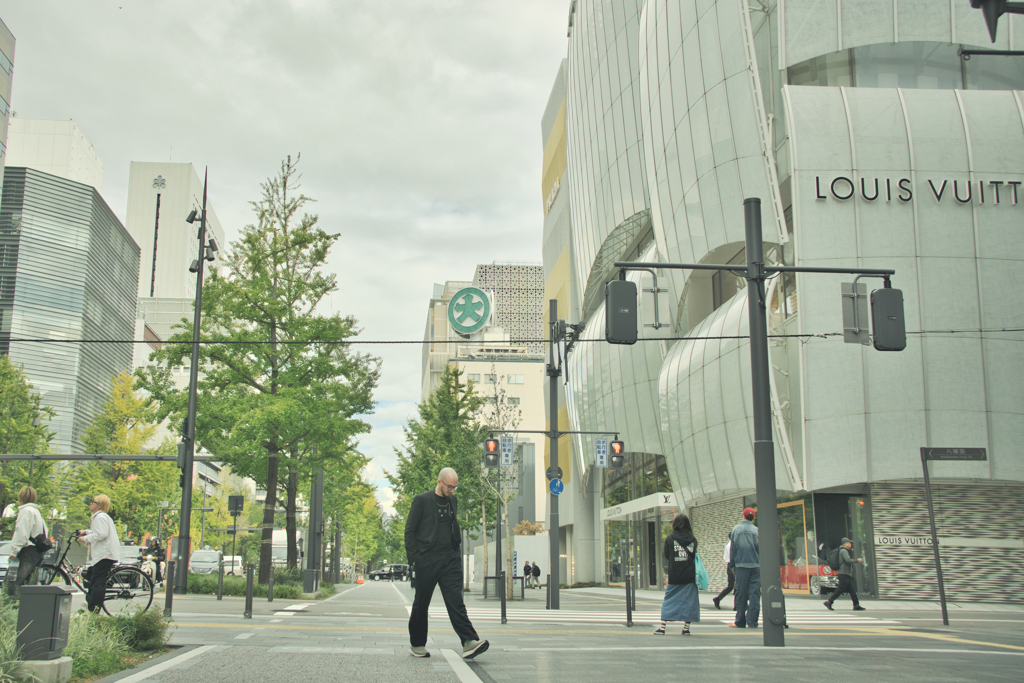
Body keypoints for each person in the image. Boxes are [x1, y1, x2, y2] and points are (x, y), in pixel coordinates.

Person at [405, 467, 488, 660]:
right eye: (449, 486)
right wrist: (415, 559)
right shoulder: (422, 501)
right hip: (427, 560)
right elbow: (410, 531)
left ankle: (469, 642)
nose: (452, 490)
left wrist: (455, 551)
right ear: (440, 482)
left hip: (450, 560)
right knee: (421, 603)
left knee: (456, 602)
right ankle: (417, 644)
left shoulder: (453, 500)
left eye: (455, 487)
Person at [654, 514, 701, 636]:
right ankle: (686, 628)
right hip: (689, 575)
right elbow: (694, 555)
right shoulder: (692, 539)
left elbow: (667, 555)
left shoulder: (670, 538)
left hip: (675, 575)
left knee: (669, 600)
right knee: (689, 601)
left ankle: (663, 627)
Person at [78, 494, 120, 614]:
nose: (91, 503)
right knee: (92, 576)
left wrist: (84, 539)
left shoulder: (100, 517)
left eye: (93, 502)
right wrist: (85, 532)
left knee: (97, 581)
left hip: (104, 554)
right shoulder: (101, 517)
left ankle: (94, 609)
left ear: (99, 505)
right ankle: (90, 603)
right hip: (104, 554)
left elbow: (100, 534)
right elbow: (98, 532)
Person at [8, 486, 48, 595]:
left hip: (26, 552)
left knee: (12, 585)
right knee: (29, 587)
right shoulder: (36, 512)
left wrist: (14, 552)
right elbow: (45, 532)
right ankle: (25, 610)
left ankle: (10, 610)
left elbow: (21, 532)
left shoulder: (25, 511)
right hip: (37, 552)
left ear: (21, 497)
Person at [728, 507, 760, 629]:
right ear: (753, 517)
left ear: (743, 516)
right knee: (755, 594)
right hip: (755, 566)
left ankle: (740, 621)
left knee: (741, 594)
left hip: (741, 565)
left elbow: (733, 549)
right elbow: (759, 549)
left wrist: (732, 565)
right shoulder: (757, 530)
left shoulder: (736, 529)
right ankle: (752, 622)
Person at [824, 537, 865, 611]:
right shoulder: (844, 551)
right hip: (844, 574)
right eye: (849, 543)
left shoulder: (842, 550)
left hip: (846, 574)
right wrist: (857, 561)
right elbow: (848, 560)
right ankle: (829, 602)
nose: (850, 544)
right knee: (840, 589)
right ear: (845, 544)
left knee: (852, 590)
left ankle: (856, 605)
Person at [713, 539, 734, 610]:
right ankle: (738, 605)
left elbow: (725, 558)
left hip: (730, 565)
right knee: (735, 586)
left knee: (732, 586)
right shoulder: (731, 545)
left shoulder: (729, 545)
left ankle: (718, 599)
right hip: (733, 566)